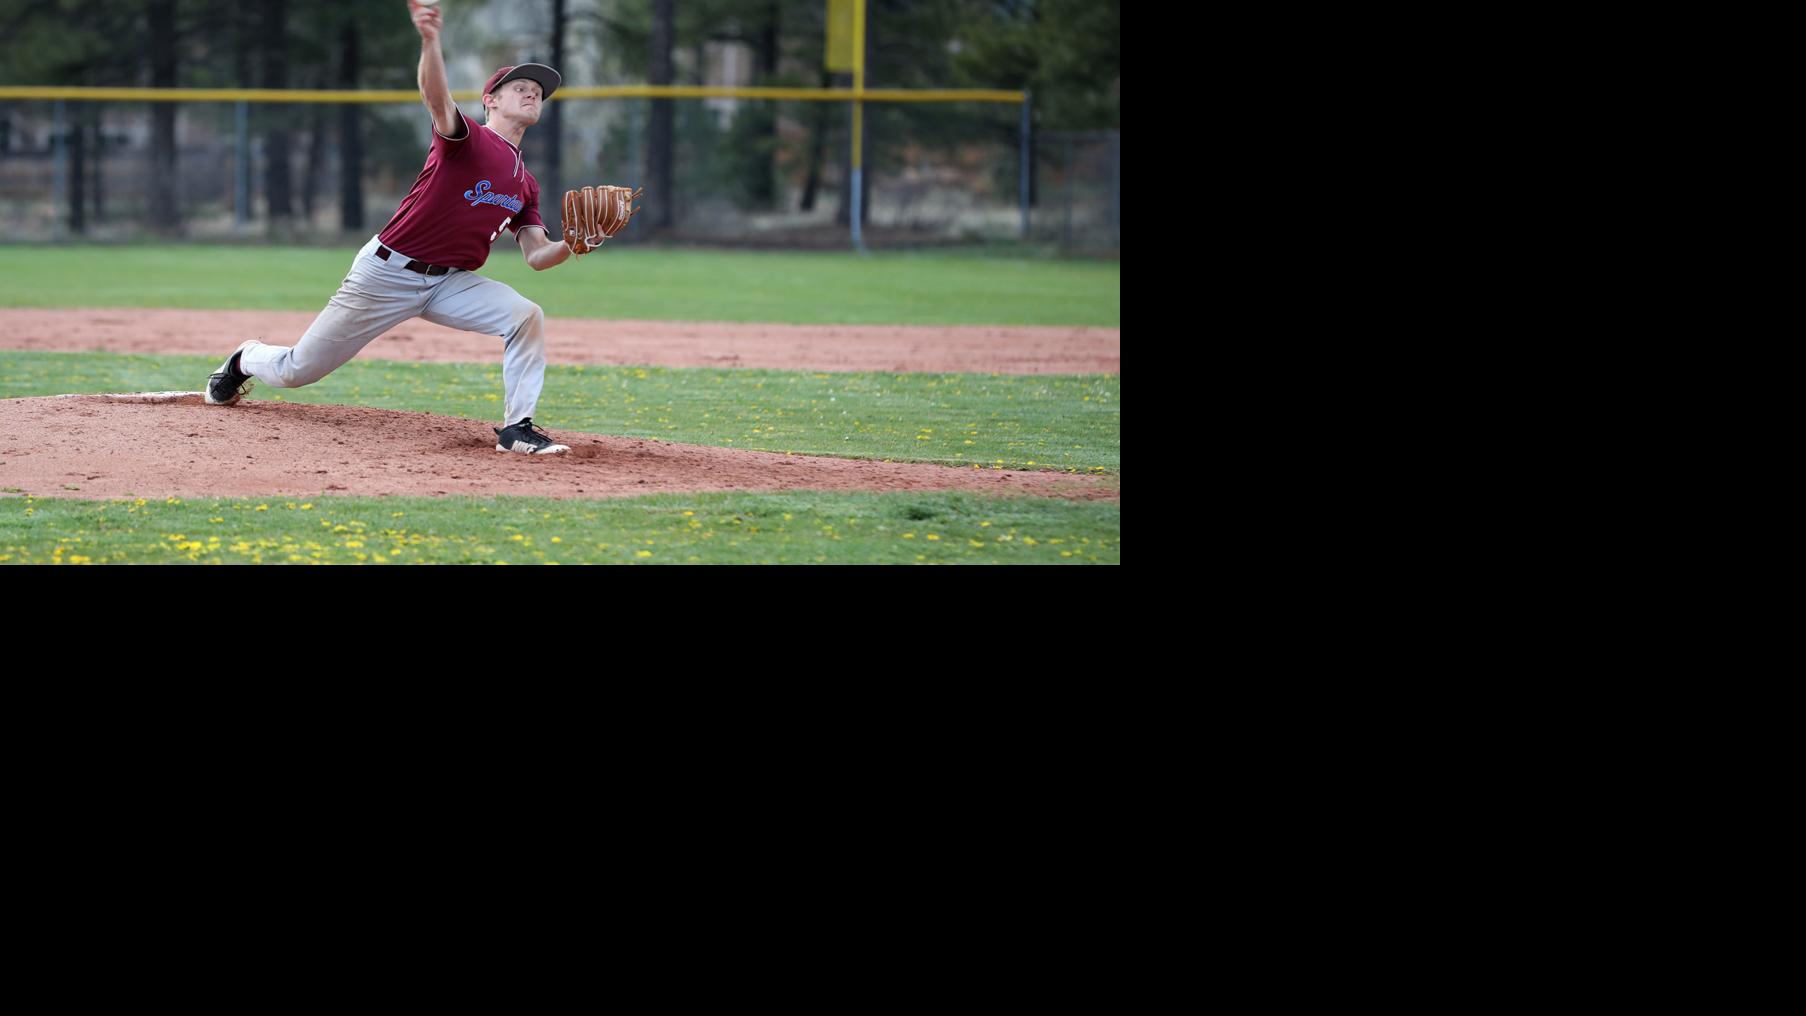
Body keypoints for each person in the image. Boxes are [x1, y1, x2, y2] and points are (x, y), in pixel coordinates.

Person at [205, 0, 581, 454]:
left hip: (449, 283)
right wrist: (430, 40)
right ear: (491, 100)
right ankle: (245, 357)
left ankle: (516, 428)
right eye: (520, 87)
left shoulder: (526, 183)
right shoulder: (468, 140)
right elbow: (435, 97)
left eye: (538, 91)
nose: (532, 94)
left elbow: (537, 256)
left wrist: (576, 243)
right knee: (296, 370)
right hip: (386, 274)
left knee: (526, 315)